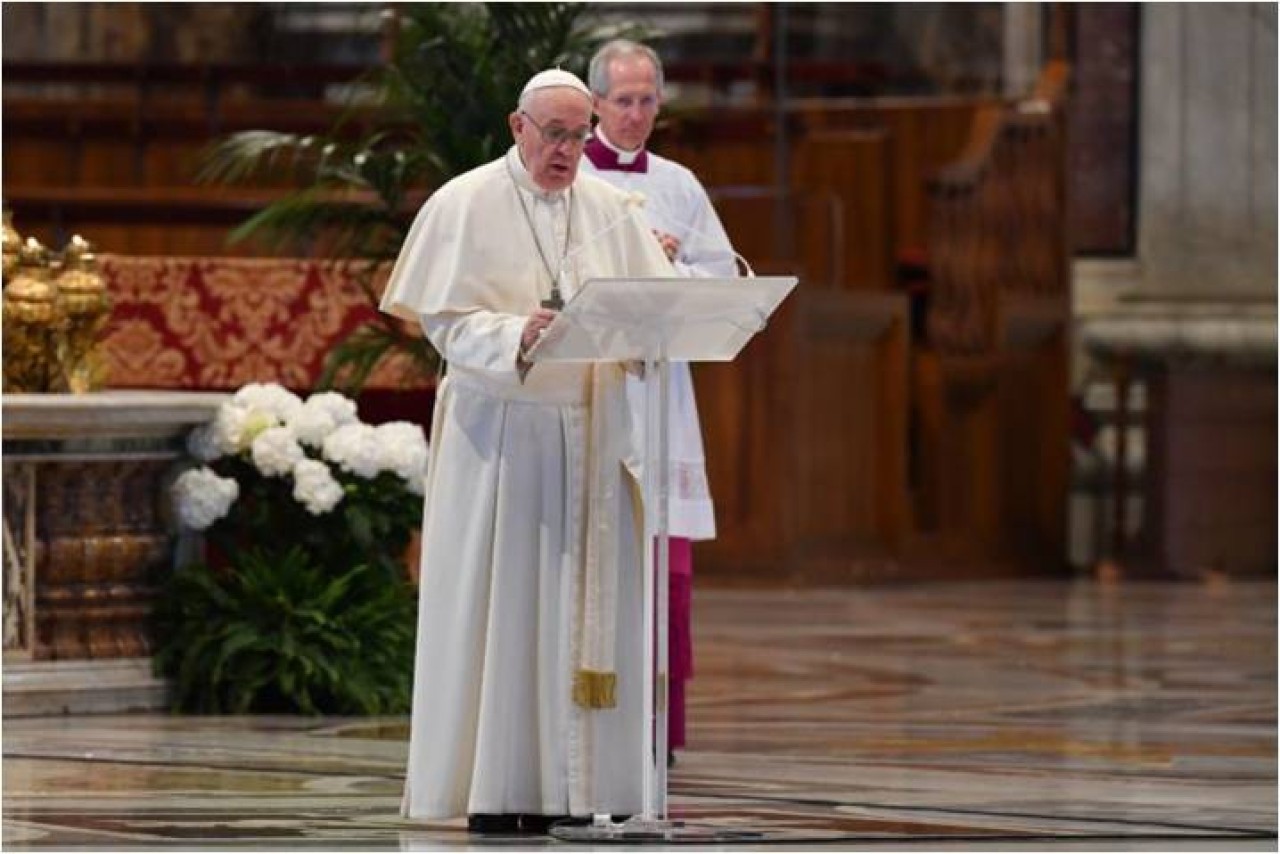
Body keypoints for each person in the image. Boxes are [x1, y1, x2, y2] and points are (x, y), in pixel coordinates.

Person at [379, 69, 675, 833]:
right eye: (555, 134)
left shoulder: (612, 209)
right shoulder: (465, 201)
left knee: (585, 614)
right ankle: (499, 789)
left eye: (580, 136)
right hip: (505, 440)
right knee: (507, 613)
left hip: (594, 435)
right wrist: (517, 334)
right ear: (518, 126)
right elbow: (442, 324)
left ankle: (587, 790)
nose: (569, 151)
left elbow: (651, 314)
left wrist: (653, 322)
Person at [581, 39, 739, 766]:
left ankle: (657, 730)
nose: (638, 114)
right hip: (591, 387)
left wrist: (672, 260)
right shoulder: (567, 175)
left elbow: (724, 275)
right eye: (624, 101)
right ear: (595, 104)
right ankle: (584, 718)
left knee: (665, 564)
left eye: (648, 101)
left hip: (662, 388)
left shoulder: (678, 182)